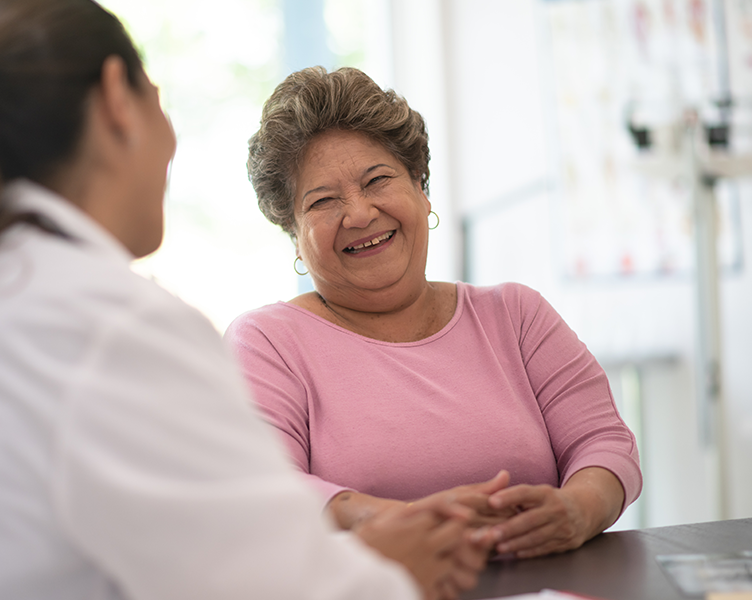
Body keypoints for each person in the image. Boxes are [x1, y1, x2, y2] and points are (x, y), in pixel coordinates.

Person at [0, 3, 493, 599]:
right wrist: (391, 571)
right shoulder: (107, 325)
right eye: (158, 97)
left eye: (379, 180)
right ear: (116, 100)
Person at [226, 66, 643, 560]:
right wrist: (391, 522)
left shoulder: (516, 314)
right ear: (294, 234)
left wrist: (577, 510)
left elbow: (604, 442)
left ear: (421, 191)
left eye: (377, 180)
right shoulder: (267, 341)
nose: (358, 214)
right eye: (323, 201)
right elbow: (265, 487)